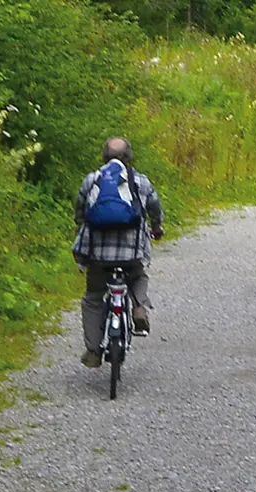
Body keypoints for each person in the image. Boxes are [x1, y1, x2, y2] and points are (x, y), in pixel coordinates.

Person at [72, 137, 164, 368]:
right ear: (129, 156)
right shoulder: (140, 182)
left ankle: (93, 351)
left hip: (99, 258)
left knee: (93, 298)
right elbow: (155, 207)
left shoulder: (92, 180)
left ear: (104, 156)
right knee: (139, 275)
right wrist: (156, 227)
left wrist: (81, 226)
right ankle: (139, 307)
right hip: (131, 255)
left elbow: (80, 211)